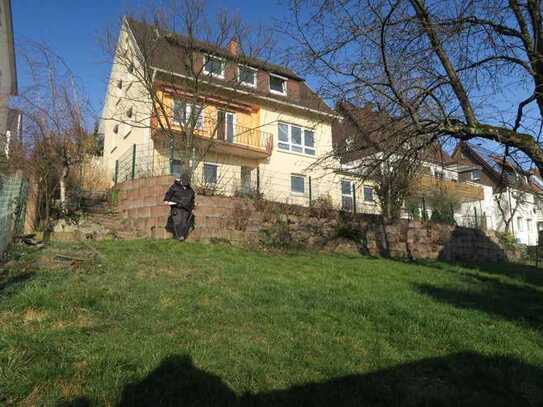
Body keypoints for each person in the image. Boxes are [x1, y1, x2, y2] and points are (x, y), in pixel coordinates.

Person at [163, 176, 195, 241]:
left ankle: (181, 236)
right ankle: (179, 236)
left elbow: (192, 199)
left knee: (184, 223)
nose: (186, 183)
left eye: (187, 182)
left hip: (186, 208)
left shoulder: (190, 190)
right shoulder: (175, 186)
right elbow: (169, 193)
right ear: (181, 180)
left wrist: (193, 205)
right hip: (176, 207)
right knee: (177, 221)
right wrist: (166, 200)